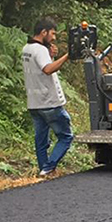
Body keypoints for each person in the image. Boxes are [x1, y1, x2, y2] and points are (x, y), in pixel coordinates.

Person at [22, 17, 74, 177]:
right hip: (49, 103)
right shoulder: (40, 50)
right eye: (52, 33)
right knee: (66, 136)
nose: (54, 38)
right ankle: (49, 167)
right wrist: (67, 56)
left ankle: (43, 169)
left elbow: (40, 69)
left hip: (34, 103)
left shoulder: (27, 48)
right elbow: (47, 70)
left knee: (41, 140)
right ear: (43, 32)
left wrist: (51, 56)